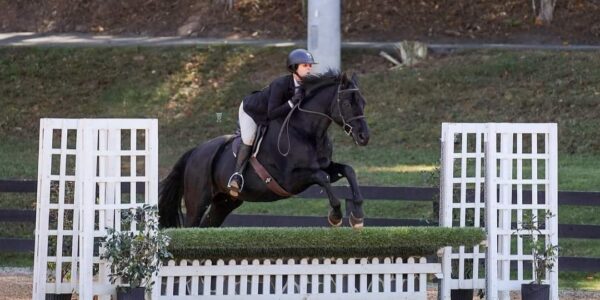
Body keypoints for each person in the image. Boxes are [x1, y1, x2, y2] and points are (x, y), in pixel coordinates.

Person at [227, 48, 317, 197]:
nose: (309, 69)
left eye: (310, 66)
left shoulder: (306, 86)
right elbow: (272, 113)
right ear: (294, 68)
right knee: (249, 138)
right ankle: (237, 176)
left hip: (274, 116)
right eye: (304, 65)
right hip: (253, 111)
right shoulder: (280, 84)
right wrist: (291, 102)